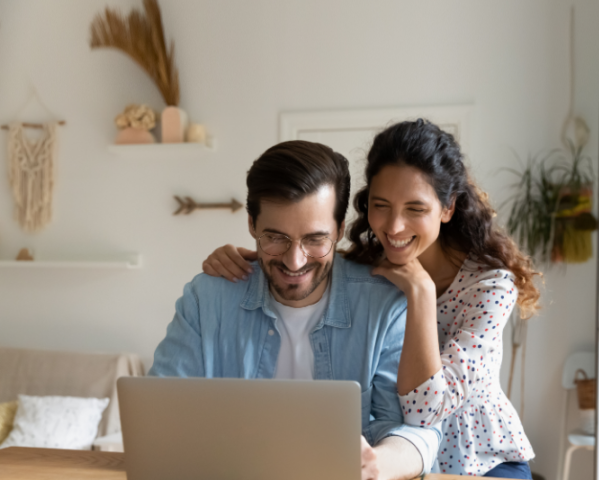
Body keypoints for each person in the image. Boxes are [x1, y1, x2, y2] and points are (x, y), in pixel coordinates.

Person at [202, 119, 541, 478]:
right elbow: (304, 260)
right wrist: (256, 260)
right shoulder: (370, 268)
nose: (394, 226)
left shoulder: (490, 288)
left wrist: (421, 292)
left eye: (415, 209)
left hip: (480, 461)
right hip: (404, 464)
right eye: (382, 205)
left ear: (447, 207)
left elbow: (426, 411)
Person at [149, 140, 441, 480]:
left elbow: (415, 429)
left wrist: (377, 464)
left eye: (315, 239)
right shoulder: (207, 297)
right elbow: (161, 417)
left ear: (339, 231)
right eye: (276, 237)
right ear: (252, 226)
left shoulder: (383, 304)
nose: (294, 260)